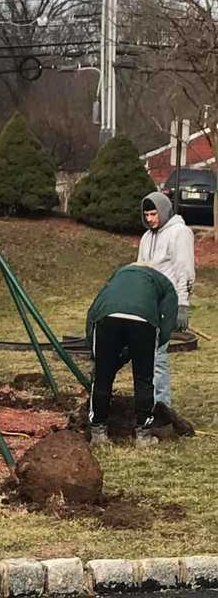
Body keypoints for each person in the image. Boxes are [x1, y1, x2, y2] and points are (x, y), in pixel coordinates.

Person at [86, 263, 178, 448]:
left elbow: (92, 314)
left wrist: (98, 355)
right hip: (144, 322)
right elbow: (167, 322)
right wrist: (153, 347)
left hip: (107, 318)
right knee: (144, 378)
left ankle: (98, 433)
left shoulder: (117, 276)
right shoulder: (165, 284)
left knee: (102, 377)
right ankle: (143, 436)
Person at [138, 191, 195, 407]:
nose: (150, 218)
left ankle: (162, 406)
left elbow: (185, 271)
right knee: (146, 354)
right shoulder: (146, 237)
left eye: (153, 214)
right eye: (147, 215)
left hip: (167, 302)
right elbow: (141, 268)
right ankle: (147, 402)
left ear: (163, 211)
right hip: (147, 303)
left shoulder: (180, 233)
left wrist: (182, 305)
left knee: (158, 355)